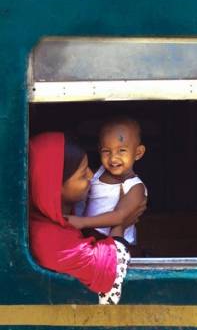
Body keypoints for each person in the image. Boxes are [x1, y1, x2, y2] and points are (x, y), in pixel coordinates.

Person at [28, 132, 146, 304]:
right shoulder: (50, 241)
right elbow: (108, 275)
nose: (92, 176)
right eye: (83, 174)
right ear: (54, 188)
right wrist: (121, 224)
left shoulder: (63, 214)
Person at [68, 117, 148, 248]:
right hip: (89, 236)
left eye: (121, 150)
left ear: (138, 153)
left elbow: (119, 217)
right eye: (106, 151)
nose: (113, 158)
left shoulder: (135, 187)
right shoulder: (96, 174)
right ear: (99, 150)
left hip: (117, 242)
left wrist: (82, 222)